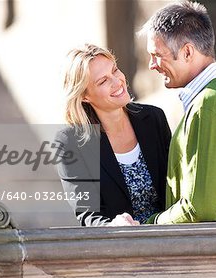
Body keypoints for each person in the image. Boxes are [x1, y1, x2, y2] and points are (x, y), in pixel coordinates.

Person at [138, 1, 216, 224]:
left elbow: (199, 210)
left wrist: (148, 225)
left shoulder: (209, 104)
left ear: (187, 52)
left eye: (157, 54)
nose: (152, 65)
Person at [55, 44, 171, 226]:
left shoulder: (154, 119)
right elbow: (87, 214)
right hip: (119, 246)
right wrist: (112, 226)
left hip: (170, 238)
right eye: (102, 81)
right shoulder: (70, 142)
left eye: (115, 70)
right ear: (85, 96)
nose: (117, 82)